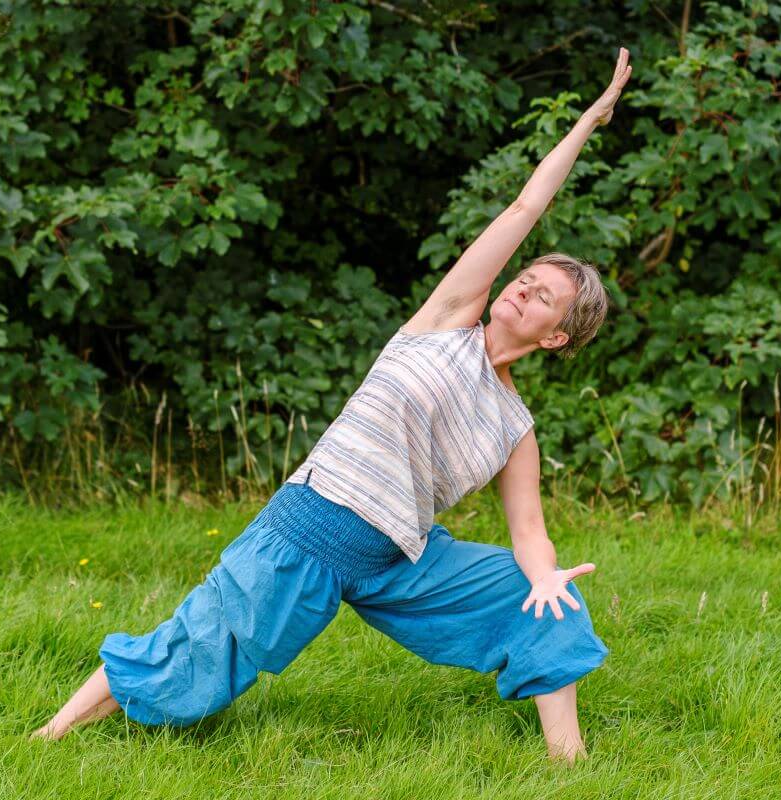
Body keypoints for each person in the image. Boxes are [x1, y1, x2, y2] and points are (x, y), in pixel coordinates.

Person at [32, 47, 633, 764]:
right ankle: (51, 737)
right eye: (527, 276)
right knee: (201, 647)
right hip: (309, 531)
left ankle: (570, 762)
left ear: (556, 335)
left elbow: (529, 529)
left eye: (543, 296)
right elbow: (524, 207)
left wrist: (542, 576)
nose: (523, 288)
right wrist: (591, 119)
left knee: (541, 598)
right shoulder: (445, 320)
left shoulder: (514, 426)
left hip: (398, 559)